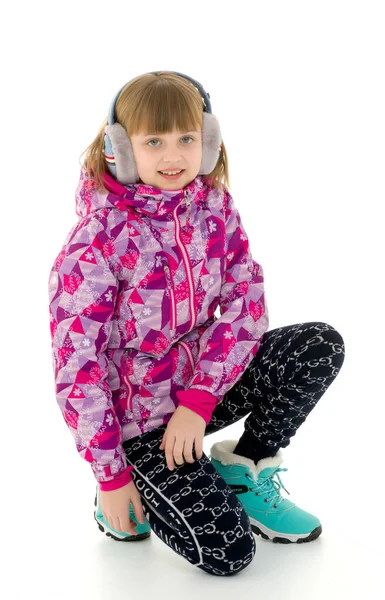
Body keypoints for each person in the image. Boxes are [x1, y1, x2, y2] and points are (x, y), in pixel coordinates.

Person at [48, 70, 345, 577]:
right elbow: (78, 369)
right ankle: (136, 485)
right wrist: (112, 476)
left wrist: (200, 401)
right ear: (119, 147)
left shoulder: (213, 206)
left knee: (318, 346)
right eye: (154, 140)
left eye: (187, 138)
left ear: (207, 141)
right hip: (140, 424)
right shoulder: (95, 243)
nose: (173, 156)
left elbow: (244, 301)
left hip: (198, 397)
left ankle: (243, 469)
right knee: (229, 552)